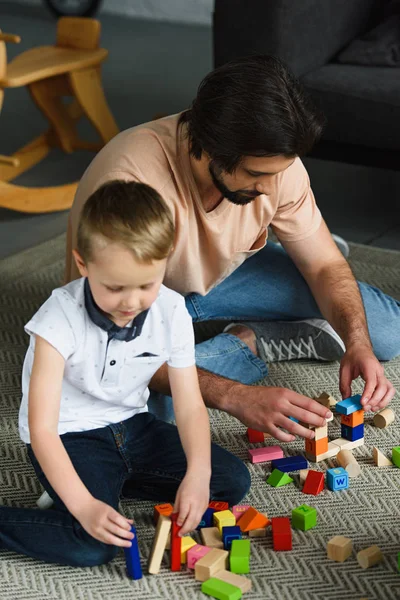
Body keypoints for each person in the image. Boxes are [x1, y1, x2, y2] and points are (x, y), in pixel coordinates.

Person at [65, 54, 398, 443]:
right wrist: (236, 397)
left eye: (277, 173)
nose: (269, 191)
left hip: (223, 275)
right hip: (137, 296)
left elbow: (325, 266)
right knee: (141, 409)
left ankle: (258, 334)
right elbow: (104, 339)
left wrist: (357, 343)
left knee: (386, 333)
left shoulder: (277, 168)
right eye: (256, 175)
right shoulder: (130, 181)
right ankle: (245, 346)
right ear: (206, 147)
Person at [0, 180, 250, 567]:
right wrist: (84, 506)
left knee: (229, 480)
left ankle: (104, 483)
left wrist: (197, 475)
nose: (131, 303)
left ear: (165, 261)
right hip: (71, 436)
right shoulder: (57, 319)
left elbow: (187, 407)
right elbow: (42, 430)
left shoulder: (171, 311)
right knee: (92, 544)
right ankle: (81, 491)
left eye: (146, 285)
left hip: (134, 427)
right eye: (115, 287)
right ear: (83, 264)